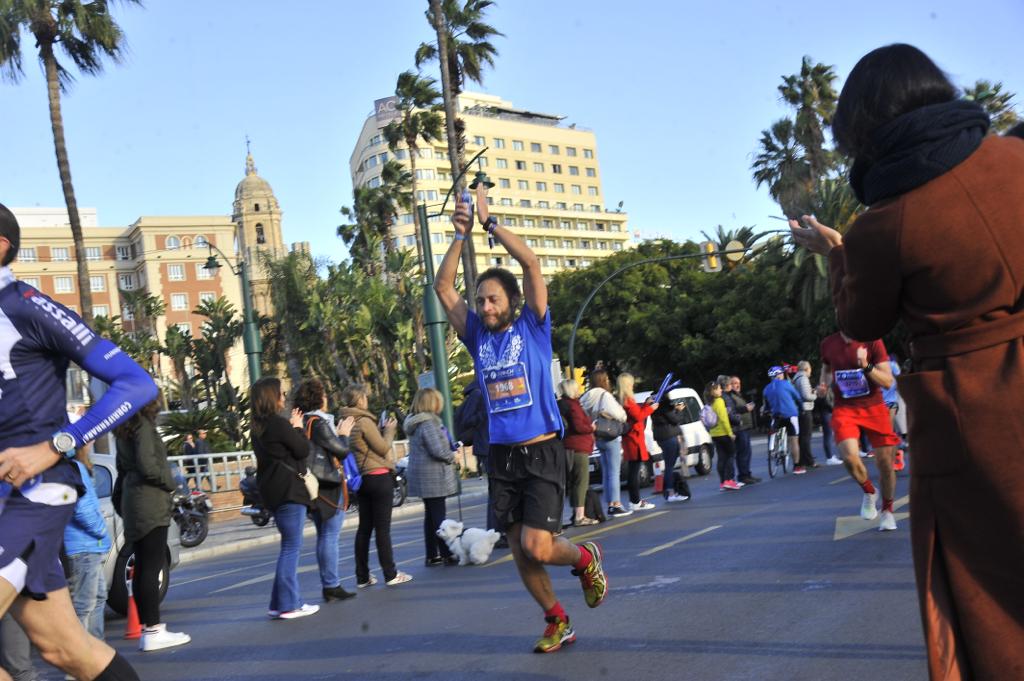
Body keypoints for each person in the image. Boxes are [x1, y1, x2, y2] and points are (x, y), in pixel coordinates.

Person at [790, 43, 1024, 679]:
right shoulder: (1017, 156)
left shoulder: (885, 222)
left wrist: (837, 249)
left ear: (865, 130)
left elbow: (860, 320)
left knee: (992, 590)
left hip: (973, 413)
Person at [434, 181, 608, 654]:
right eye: (481, 299)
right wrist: (459, 234)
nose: (484, 306)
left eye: (492, 299)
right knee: (518, 546)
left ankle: (584, 557)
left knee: (537, 544)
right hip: (503, 458)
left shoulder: (533, 325)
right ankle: (557, 619)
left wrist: (490, 223)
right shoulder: (477, 336)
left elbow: (530, 264)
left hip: (543, 451)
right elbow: (443, 288)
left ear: (510, 300)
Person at [0, 202, 153, 681]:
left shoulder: (24, 304)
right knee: (68, 651)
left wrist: (56, 445)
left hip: (38, 491)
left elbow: (136, 384)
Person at [113, 398, 191, 651]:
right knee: (151, 566)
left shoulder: (124, 429)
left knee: (143, 565)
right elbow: (149, 465)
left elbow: (122, 470)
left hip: (133, 502)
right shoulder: (143, 427)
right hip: (150, 502)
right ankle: (153, 630)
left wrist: (121, 503)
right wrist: (170, 482)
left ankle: (150, 628)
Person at [250, 376, 320, 620]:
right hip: (290, 490)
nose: (284, 398)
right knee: (291, 548)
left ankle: (278, 603)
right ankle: (291, 604)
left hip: (272, 491)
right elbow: (302, 450)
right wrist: (298, 427)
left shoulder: (257, 428)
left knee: (287, 547)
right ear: (272, 397)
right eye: (280, 394)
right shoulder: (279, 425)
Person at [816, 333, 901, 531]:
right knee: (850, 458)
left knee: (885, 463)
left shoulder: (872, 341)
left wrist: (866, 365)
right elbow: (827, 369)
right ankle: (870, 491)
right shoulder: (828, 343)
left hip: (874, 407)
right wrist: (824, 385)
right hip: (845, 408)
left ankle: (887, 511)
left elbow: (888, 381)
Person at [339, 384, 411, 588]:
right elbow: (382, 447)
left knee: (364, 529)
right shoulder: (364, 421)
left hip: (362, 479)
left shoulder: (346, 421)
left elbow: (362, 447)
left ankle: (362, 576)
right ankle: (391, 573)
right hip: (378, 476)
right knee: (382, 529)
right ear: (360, 400)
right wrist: (389, 432)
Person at [293, 378, 357, 603]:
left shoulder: (305, 421)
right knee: (330, 535)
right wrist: (344, 433)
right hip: (328, 484)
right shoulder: (319, 423)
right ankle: (332, 585)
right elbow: (341, 451)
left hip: (313, 485)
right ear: (319, 398)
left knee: (324, 534)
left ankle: (329, 584)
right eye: (324, 394)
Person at [405, 388, 460, 565]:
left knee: (430, 516)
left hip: (423, 475)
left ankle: (432, 553)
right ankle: (446, 553)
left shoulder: (414, 423)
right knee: (438, 516)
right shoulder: (428, 424)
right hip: (433, 475)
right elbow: (437, 450)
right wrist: (453, 456)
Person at [64, 453, 111, 642]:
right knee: (84, 605)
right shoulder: (73, 467)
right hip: (83, 546)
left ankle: (97, 652)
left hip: (88, 545)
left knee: (98, 598)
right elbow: (81, 507)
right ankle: (81, 663)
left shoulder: (74, 466)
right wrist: (100, 530)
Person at [580, 368, 631, 517]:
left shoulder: (586, 397)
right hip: (610, 436)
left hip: (597, 436)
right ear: (603, 380)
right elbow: (621, 415)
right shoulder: (605, 396)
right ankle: (615, 504)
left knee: (606, 472)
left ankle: (609, 503)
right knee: (614, 471)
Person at [454, 380, 499, 538]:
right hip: (487, 447)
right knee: (496, 490)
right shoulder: (478, 394)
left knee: (497, 490)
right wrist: (487, 411)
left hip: (490, 445)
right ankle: (495, 531)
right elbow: (468, 420)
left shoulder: (482, 392)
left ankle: (497, 531)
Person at [557, 379, 597, 526]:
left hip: (566, 446)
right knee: (581, 481)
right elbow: (579, 426)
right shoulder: (573, 406)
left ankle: (576, 514)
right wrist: (591, 428)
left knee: (573, 482)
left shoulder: (560, 405)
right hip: (579, 446)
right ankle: (580, 516)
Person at [617, 373, 659, 510]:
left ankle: (635, 500)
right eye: (631, 383)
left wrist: (645, 405)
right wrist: (650, 408)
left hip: (632, 438)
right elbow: (638, 416)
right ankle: (635, 501)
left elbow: (637, 412)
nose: (633, 385)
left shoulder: (625, 400)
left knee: (633, 471)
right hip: (633, 438)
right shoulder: (627, 400)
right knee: (634, 472)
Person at [651, 390, 690, 502]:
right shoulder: (664, 406)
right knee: (669, 466)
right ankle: (670, 492)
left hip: (662, 436)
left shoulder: (655, 404)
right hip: (668, 436)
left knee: (669, 465)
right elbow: (675, 419)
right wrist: (678, 411)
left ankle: (670, 491)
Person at [762, 366, 802, 472]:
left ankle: (773, 447)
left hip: (776, 415)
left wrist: (767, 411)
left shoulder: (766, 389)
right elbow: (797, 397)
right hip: (790, 415)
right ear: (779, 375)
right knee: (794, 439)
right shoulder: (786, 384)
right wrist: (801, 409)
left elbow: (766, 405)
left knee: (773, 429)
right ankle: (797, 466)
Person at [704, 382, 741, 491]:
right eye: (719, 389)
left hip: (714, 434)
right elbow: (724, 419)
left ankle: (722, 482)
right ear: (713, 391)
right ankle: (729, 480)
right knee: (730, 455)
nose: (721, 390)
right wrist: (730, 433)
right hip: (723, 433)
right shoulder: (719, 401)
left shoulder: (709, 402)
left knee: (721, 458)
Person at [724, 376, 760, 484]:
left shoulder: (737, 395)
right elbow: (732, 411)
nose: (737, 385)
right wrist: (745, 408)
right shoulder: (729, 396)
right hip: (739, 427)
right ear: (730, 385)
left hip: (744, 427)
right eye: (734, 383)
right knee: (743, 453)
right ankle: (743, 476)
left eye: (738, 383)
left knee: (747, 452)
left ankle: (747, 474)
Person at [793, 361, 818, 472]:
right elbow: (806, 395)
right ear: (807, 368)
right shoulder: (803, 378)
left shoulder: (796, 378)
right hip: (805, 409)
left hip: (799, 409)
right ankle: (809, 460)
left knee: (802, 436)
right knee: (806, 436)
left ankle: (803, 459)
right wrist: (815, 394)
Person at [815, 383, 842, 465]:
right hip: (826, 416)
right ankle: (829, 457)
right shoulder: (824, 396)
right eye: (822, 385)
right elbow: (830, 406)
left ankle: (830, 456)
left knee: (828, 436)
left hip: (823, 416)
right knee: (828, 436)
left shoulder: (817, 397)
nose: (824, 386)